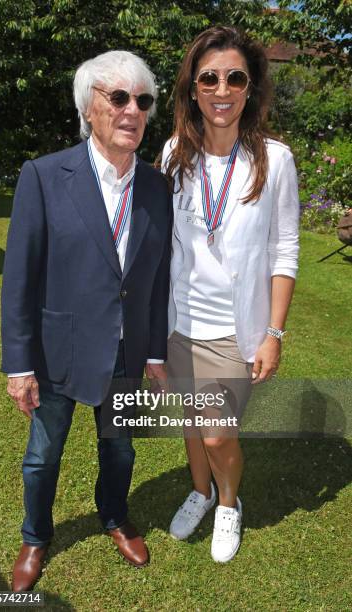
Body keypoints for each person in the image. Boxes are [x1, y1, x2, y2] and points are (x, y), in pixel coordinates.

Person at [1, 50, 171, 590]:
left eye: (141, 101)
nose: (132, 111)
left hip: (126, 348)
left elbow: (157, 276)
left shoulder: (156, 186)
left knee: (120, 446)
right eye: (117, 97)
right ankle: (35, 535)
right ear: (88, 108)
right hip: (58, 348)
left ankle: (115, 516)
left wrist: (154, 352)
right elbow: (20, 278)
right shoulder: (45, 176)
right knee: (43, 454)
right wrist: (19, 364)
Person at [161, 26, 299, 563]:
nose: (222, 89)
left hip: (233, 329)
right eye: (209, 78)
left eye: (234, 77)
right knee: (193, 424)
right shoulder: (176, 152)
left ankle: (227, 502)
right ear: (193, 89)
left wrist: (273, 333)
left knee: (218, 435)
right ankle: (198, 491)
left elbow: (285, 251)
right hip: (179, 323)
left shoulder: (275, 159)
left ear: (250, 87)